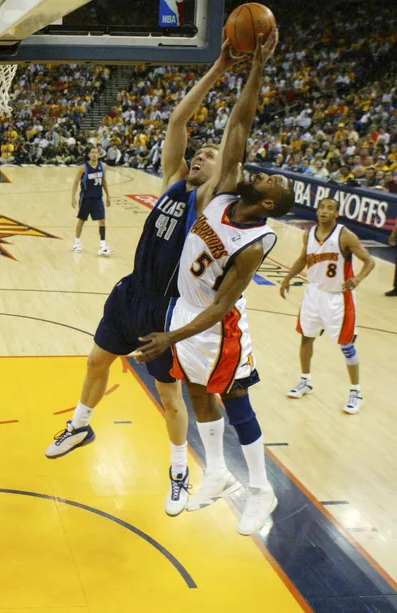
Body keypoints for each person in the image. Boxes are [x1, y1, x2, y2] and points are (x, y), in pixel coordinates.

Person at [46, 40, 244, 517]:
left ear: (221, 174)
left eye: (210, 155)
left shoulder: (210, 201)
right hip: (131, 291)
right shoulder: (172, 184)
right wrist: (218, 66)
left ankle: (179, 470)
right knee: (96, 361)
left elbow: (235, 144)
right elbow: (178, 122)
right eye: (198, 152)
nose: (200, 154)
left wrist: (245, 77)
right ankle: (80, 424)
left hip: (166, 306)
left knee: (169, 395)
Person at [133, 30, 293, 536]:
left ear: (269, 205)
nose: (269, 175)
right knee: (200, 395)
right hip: (186, 312)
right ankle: (219, 475)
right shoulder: (222, 195)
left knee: (237, 399)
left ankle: (261, 490)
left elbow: (224, 306)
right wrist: (255, 66)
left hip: (218, 327)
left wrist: (171, 337)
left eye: (276, 184)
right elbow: (239, 122)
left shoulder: (254, 244)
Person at [280, 198, 374, 415]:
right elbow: (303, 259)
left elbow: (370, 261)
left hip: (338, 298)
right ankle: (305, 381)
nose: (324, 211)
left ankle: (356, 392)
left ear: (336, 214)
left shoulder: (345, 236)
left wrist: (358, 279)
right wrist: (287, 278)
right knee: (306, 337)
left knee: (346, 345)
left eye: (329, 208)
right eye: (321, 207)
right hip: (313, 293)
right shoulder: (309, 234)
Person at [71, 146, 113, 256]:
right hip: (86, 198)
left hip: (98, 198)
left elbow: (104, 181)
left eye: (96, 152)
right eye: (92, 152)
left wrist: (108, 196)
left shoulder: (103, 166)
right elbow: (75, 183)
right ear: (89, 155)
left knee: (102, 220)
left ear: (99, 154)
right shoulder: (83, 168)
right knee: (81, 220)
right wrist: (73, 197)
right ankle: (76, 242)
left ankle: (103, 245)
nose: (94, 154)